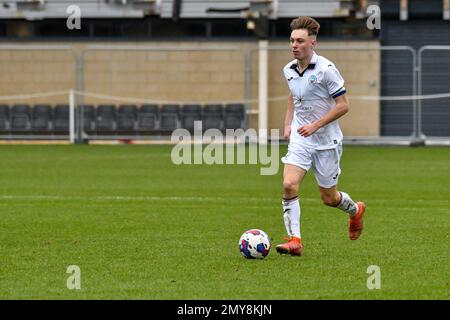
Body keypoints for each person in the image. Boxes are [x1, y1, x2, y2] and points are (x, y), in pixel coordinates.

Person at [276, 16, 366, 256]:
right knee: (288, 184)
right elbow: (293, 97)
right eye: (292, 40)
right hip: (301, 138)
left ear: (312, 43)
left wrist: (316, 125)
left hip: (326, 142)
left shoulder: (327, 70)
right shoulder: (289, 69)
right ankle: (294, 240)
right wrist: (288, 125)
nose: (294, 45)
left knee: (329, 197)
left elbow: (343, 105)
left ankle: (355, 210)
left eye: (300, 41)